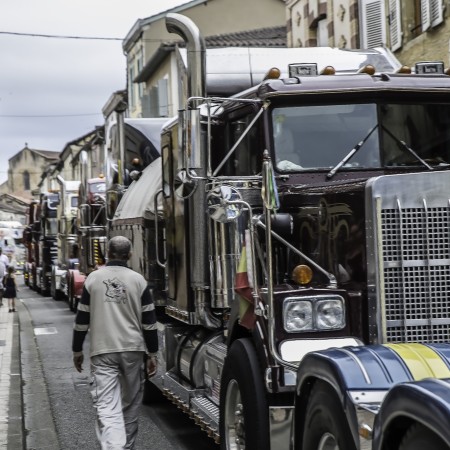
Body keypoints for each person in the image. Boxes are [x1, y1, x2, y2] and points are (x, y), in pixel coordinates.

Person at [72, 236, 158, 450]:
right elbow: (149, 322)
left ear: (106, 253)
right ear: (129, 255)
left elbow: (82, 319)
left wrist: (77, 349)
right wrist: (153, 353)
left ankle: (114, 447)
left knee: (107, 406)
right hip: (133, 350)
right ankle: (125, 446)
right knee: (130, 406)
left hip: (103, 351)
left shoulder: (93, 279)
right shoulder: (139, 280)